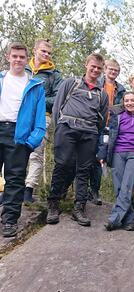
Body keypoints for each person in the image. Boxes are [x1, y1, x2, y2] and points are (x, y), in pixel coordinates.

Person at [46, 53, 109, 227]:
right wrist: (59, 128)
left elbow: (102, 119)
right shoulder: (70, 83)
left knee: (84, 170)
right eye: (93, 66)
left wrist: (95, 133)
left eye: (98, 67)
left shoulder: (102, 94)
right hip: (67, 128)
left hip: (89, 133)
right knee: (62, 164)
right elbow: (58, 106)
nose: (95, 70)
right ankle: (53, 204)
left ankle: (79, 207)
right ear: (86, 64)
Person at [0, 42, 46, 237]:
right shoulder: (1, 79)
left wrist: (30, 142)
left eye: (21, 57)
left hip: (18, 137)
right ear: (8, 57)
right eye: (14, 56)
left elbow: (40, 120)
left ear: (27, 59)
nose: (18, 60)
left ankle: (9, 221)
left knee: (15, 180)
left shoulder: (35, 86)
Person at [97, 92, 134, 231]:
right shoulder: (117, 117)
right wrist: (102, 153)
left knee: (127, 186)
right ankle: (129, 220)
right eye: (127, 101)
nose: (129, 103)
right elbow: (106, 135)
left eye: (132, 100)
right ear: (123, 103)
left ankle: (114, 219)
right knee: (119, 187)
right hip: (117, 154)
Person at [23, 38, 63, 203]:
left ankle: (28, 190)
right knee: (13, 152)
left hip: (42, 117)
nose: (46, 54)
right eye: (43, 51)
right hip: (19, 116)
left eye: (49, 52)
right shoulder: (23, 68)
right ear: (35, 50)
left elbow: (58, 97)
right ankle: (12, 188)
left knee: (36, 153)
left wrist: (37, 99)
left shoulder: (54, 74)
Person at [89, 58, 126, 206]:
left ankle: (95, 190)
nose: (113, 72)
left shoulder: (121, 89)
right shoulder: (97, 83)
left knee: (100, 158)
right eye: (110, 69)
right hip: (94, 123)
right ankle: (81, 190)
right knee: (86, 156)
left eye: (116, 71)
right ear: (105, 69)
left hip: (110, 126)